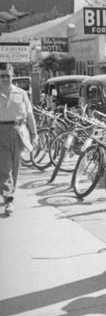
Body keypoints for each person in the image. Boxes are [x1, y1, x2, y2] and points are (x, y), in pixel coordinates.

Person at [0, 62, 37, 215]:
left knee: (15, 166)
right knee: (5, 166)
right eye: (1, 76)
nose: (5, 79)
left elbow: (29, 114)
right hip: (1, 131)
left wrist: (34, 133)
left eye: (7, 76)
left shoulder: (21, 93)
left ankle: (9, 192)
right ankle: (9, 199)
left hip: (19, 131)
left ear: (12, 76)